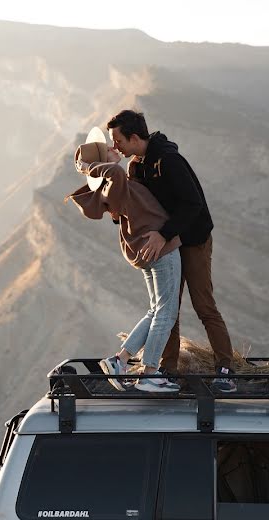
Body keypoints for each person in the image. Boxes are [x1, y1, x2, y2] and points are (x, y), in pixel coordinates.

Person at [106, 110, 236, 392]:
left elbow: (193, 204)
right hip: (168, 244)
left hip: (193, 239)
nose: (114, 145)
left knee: (204, 306)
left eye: (118, 140)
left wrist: (164, 234)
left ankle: (225, 368)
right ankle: (168, 368)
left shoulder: (169, 160)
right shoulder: (135, 167)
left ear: (134, 137)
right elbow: (130, 207)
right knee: (169, 308)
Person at [66, 130, 181, 393]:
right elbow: (115, 172)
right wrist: (87, 168)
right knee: (166, 313)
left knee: (155, 311)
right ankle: (150, 373)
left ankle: (120, 361)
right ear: (101, 162)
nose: (113, 148)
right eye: (108, 149)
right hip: (160, 251)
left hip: (147, 252)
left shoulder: (110, 185)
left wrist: (92, 168)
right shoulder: (113, 179)